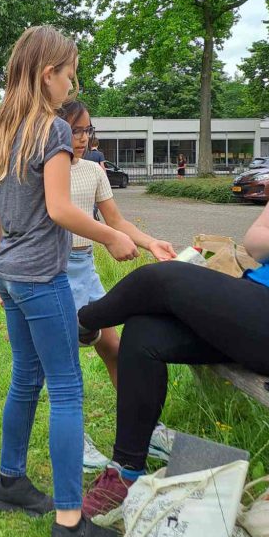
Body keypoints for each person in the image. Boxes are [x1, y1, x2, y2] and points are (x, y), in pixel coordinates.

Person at [78, 64, 269, 524]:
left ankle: (81, 322)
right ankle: (126, 471)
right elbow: (256, 239)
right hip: (263, 305)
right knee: (144, 330)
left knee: (165, 279)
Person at [0, 25, 141, 537]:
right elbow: (59, 208)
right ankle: (70, 527)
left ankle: (10, 482)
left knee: (26, 378)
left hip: (11, 274)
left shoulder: (4, 126)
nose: (72, 85)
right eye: (69, 75)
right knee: (68, 389)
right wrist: (112, 236)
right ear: (48, 74)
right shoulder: (50, 128)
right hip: (40, 277)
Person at [57, 101, 177, 469]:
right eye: (74, 130)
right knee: (65, 363)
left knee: (113, 347)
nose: (82, 138)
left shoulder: (93, 171)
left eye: (87, 130)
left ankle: (146, 429)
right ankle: (73, 439)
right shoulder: (47, 170)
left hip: (85, 268)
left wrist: (150, 242)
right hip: (55, 271)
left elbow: (116, 221)